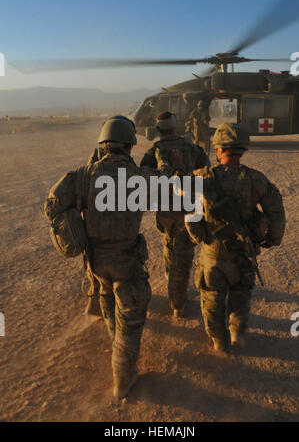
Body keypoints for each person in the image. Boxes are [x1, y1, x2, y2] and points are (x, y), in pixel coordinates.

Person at [44, 115, 184, 398]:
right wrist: (167, 163)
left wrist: (75, 230)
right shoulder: (138, 178)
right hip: (127, 262)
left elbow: (53, 206)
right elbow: (167, 181)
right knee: (131, 323)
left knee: (108, 302)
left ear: (103, 144)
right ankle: (124, 378)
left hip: (96, 262)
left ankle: (116, 340)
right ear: (130, 145)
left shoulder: (82, 175)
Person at [185, 123, 285, 352]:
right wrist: (272, 239)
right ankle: (236, 332)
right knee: (240, 296)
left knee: (211, 300)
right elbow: (276, 211)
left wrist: (201, 238)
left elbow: (190, 215)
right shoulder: (256, 179)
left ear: (218, 149)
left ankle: (218, 340)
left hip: (213, 254)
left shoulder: (200, 177)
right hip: (243, 253)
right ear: (241, 150)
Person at [140, 111, 208, 318]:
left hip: (167, 212)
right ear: (175, 127)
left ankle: (174, 286)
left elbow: (144, 178)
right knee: (185, 253)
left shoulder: (154, 152)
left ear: (158, 130)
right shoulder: (194, 149)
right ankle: (178, 302)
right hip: (189, 210)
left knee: (169, 245)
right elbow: (207, 175)